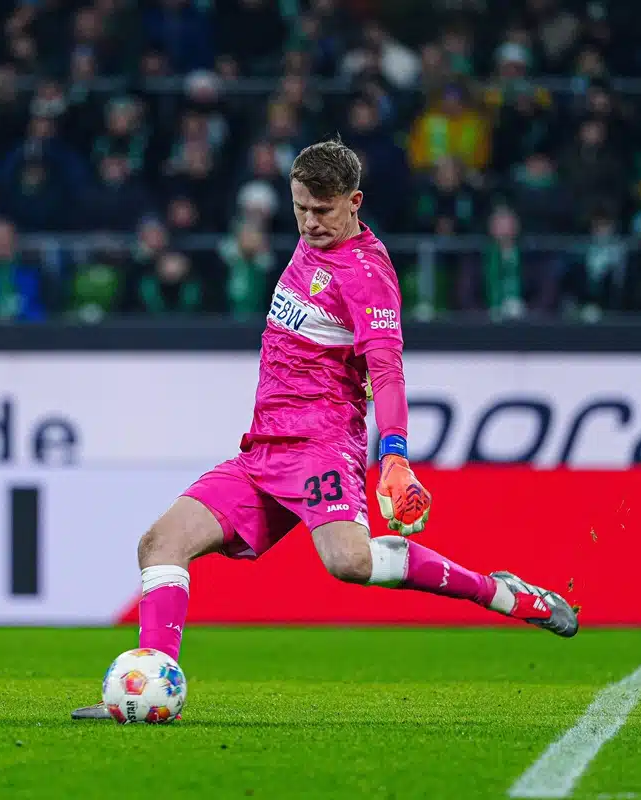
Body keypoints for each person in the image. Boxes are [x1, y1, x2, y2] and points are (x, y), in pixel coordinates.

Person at [71, 139, 578, 721]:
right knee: (160, 544)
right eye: (301, 209)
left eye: (324, 211)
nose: (311, 223)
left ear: (355, 202)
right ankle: (151, 691)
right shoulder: (311, 239)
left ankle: (500, 593)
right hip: (264, 448)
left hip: (320, 446)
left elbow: (386, 369)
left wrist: (394, 456)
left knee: (349, 564)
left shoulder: (367, 274)